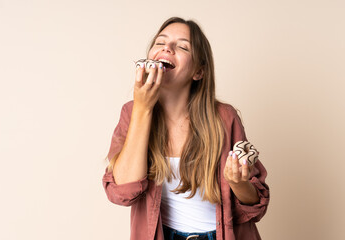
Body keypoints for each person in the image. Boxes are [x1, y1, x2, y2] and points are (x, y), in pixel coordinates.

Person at [102, 17, 270, 240]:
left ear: (198, 72)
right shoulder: (132, 112)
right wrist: (142, 109)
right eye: (160, 43)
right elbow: (122, 192)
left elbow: (254, 207)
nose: (167, 48)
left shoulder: (224, 118)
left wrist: (238, 183)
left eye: (182, 46)